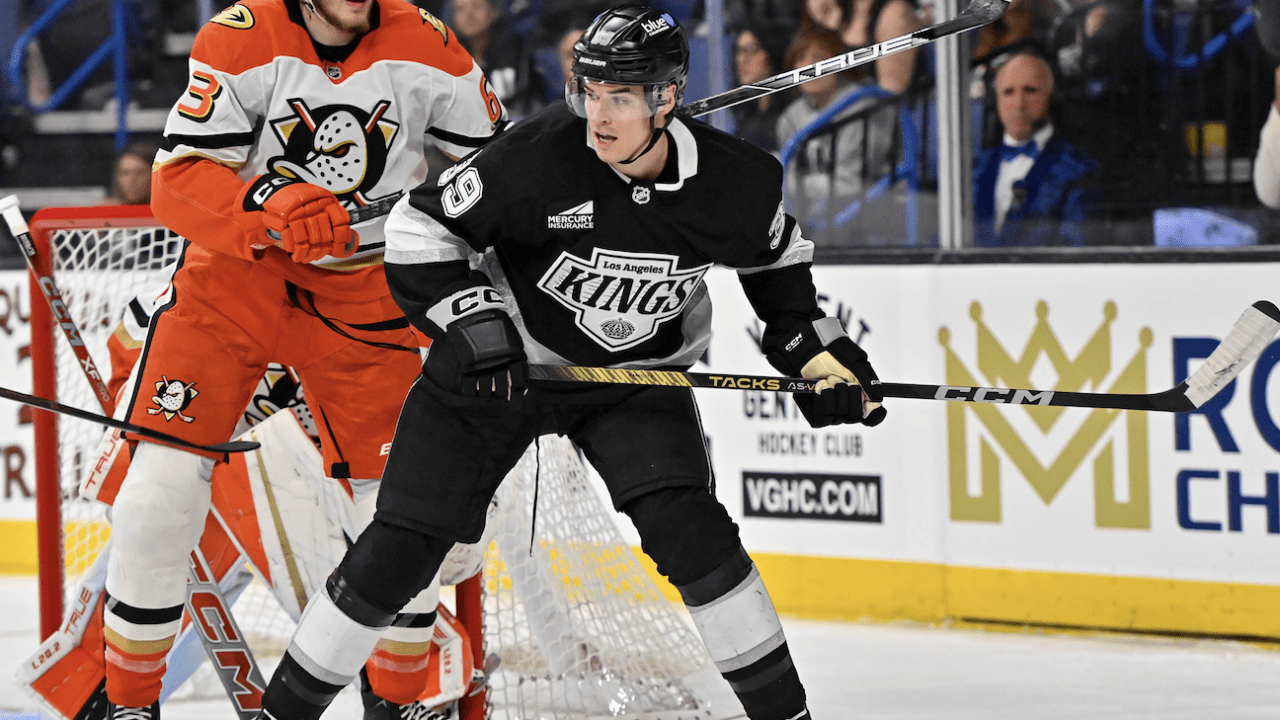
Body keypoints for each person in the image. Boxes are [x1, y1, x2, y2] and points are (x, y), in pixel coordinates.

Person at [250, 6, 887, 720]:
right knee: (400, 549)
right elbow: (419, 225)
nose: (599, 117)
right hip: (500, 369)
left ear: (667, 98)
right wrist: (474, 324)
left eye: (621, 98)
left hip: (631, 379)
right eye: (590, 92)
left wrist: (815, 353)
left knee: (695, 536)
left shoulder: (736, 180)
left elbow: (777, 263)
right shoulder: (539, 155)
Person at [98, 0, 507, 718]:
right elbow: (177, 181)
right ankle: (129, 704)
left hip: (369, 293)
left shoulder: (425, 43)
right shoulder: (240, 39)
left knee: (409, 516)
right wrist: (269, 201)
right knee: (156, 495)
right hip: (237, 281)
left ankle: (396, 703)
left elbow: (504, 168)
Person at [776, 26, 898, 243]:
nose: (809, 67)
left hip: (871, 208)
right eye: (801, 58)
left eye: (819, 58)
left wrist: (798, 186)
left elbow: (853, 182)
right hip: (818, 212)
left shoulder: (861, 106)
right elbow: (789, 181)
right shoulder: (789, 117)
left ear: (839, 62)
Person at [972, 49, 1100, 247]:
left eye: (1030, 91)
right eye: (1008, 92)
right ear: (995, 100)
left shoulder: (1080, 170)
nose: (1019, 104)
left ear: (1052, 96)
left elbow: (1078, 251)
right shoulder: (973, 169)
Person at [799, 0, 921, 94]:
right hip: (835, 110)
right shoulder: (842, 12)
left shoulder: (895, 14)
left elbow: (891, 92)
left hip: (872, 114)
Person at [453, 0, 543, 118]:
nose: (469, 14)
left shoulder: (511, 46)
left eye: (477, 6)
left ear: (494, 11)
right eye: (460, 9)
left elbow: (508, 98)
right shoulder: (453, 50)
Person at [731, 20, 792, 154]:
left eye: (750, 50)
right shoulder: (745, 115)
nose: (740, 59)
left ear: (770, 52)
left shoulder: (792, 113)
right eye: (738, 51)